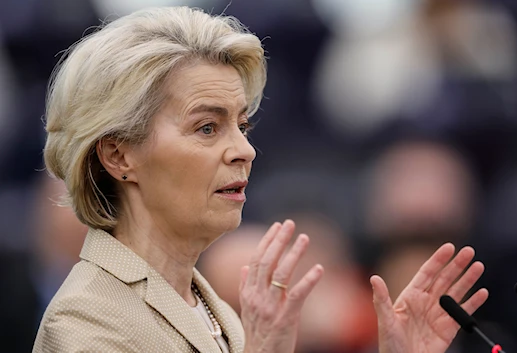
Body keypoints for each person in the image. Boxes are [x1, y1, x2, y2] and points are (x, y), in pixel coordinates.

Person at [33, 6, 488, 353]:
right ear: (118, 154)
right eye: (207, 127)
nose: (244, 150)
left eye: (242, 126)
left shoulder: (217, 310)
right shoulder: (85, 320)